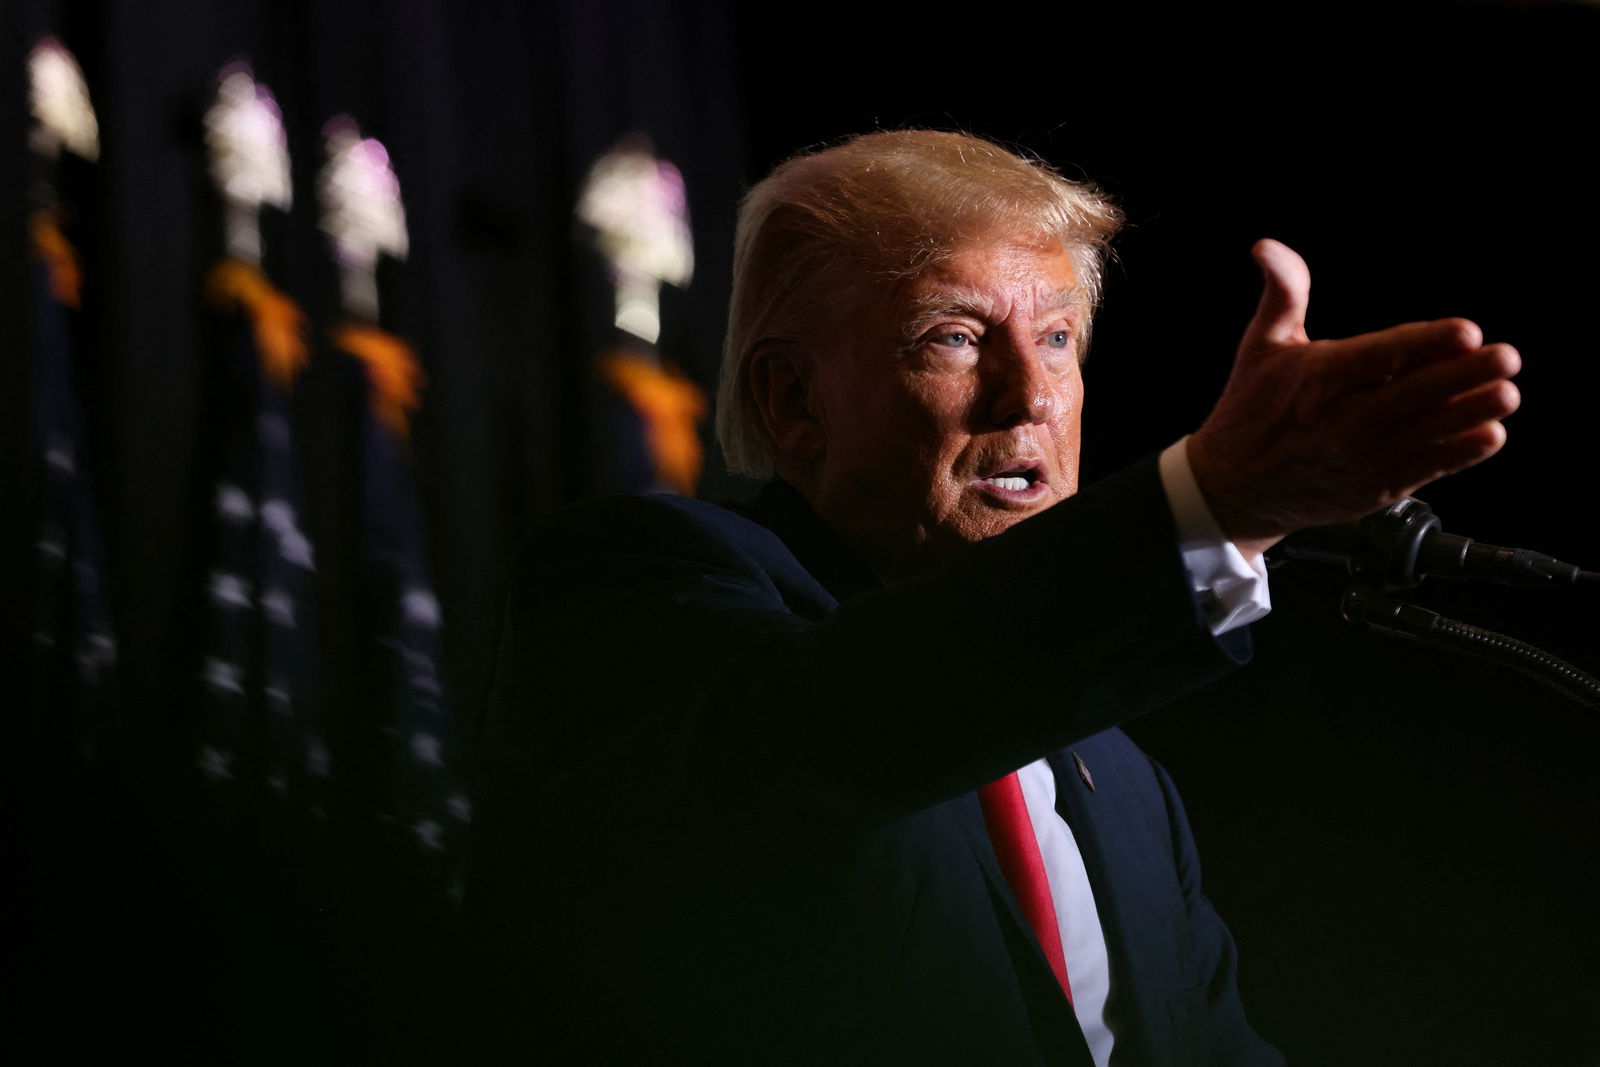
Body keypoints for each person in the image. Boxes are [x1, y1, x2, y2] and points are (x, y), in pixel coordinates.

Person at [464, 130, 1520, 1065]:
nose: (1031, 395)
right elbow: (852, 720)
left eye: (1057, 338)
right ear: (793, 400)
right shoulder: (642, 583)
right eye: (956, 338)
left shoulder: (1124, 777)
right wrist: (1215, 504)